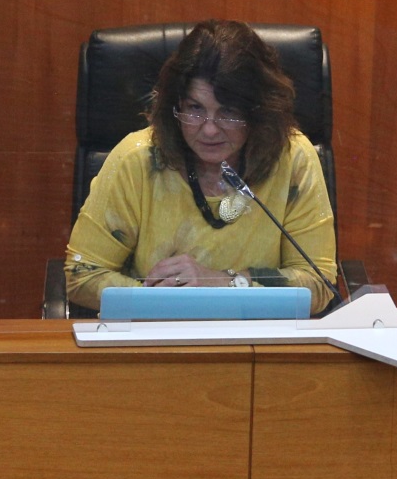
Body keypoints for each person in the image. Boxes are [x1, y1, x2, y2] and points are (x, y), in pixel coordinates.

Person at [65, 19, 338, 313]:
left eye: (228, 112)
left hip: (257, 335)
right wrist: (162, 300)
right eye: (195, 109)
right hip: (159, 331)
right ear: (176, 106)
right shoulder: (136, 160)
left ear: (259, 112)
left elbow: (318, 284)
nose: (209, 130)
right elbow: (82, 276)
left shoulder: (293, 158)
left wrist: (225, 283)